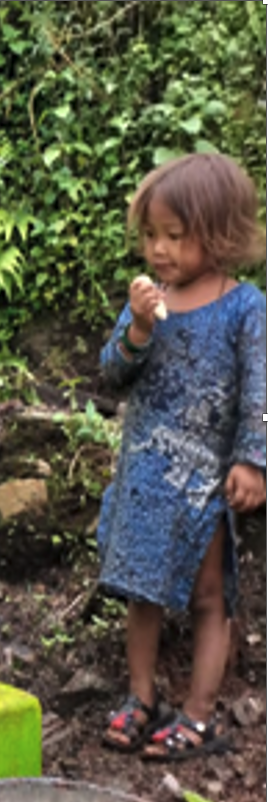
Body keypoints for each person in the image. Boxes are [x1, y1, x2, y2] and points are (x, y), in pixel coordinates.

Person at [96, 153, 266, 761]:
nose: (159, 249)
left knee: (208, 595)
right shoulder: (150, 301)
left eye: (174, 235)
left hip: (202, 481)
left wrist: (253, 460)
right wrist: (138, 330)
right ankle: (141, 696)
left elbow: (261, 391)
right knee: (141, 588)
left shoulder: (245, 307)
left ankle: (198, 714)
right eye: (150, 235)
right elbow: (112, 373)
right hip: (145, 475)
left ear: (218, 234)